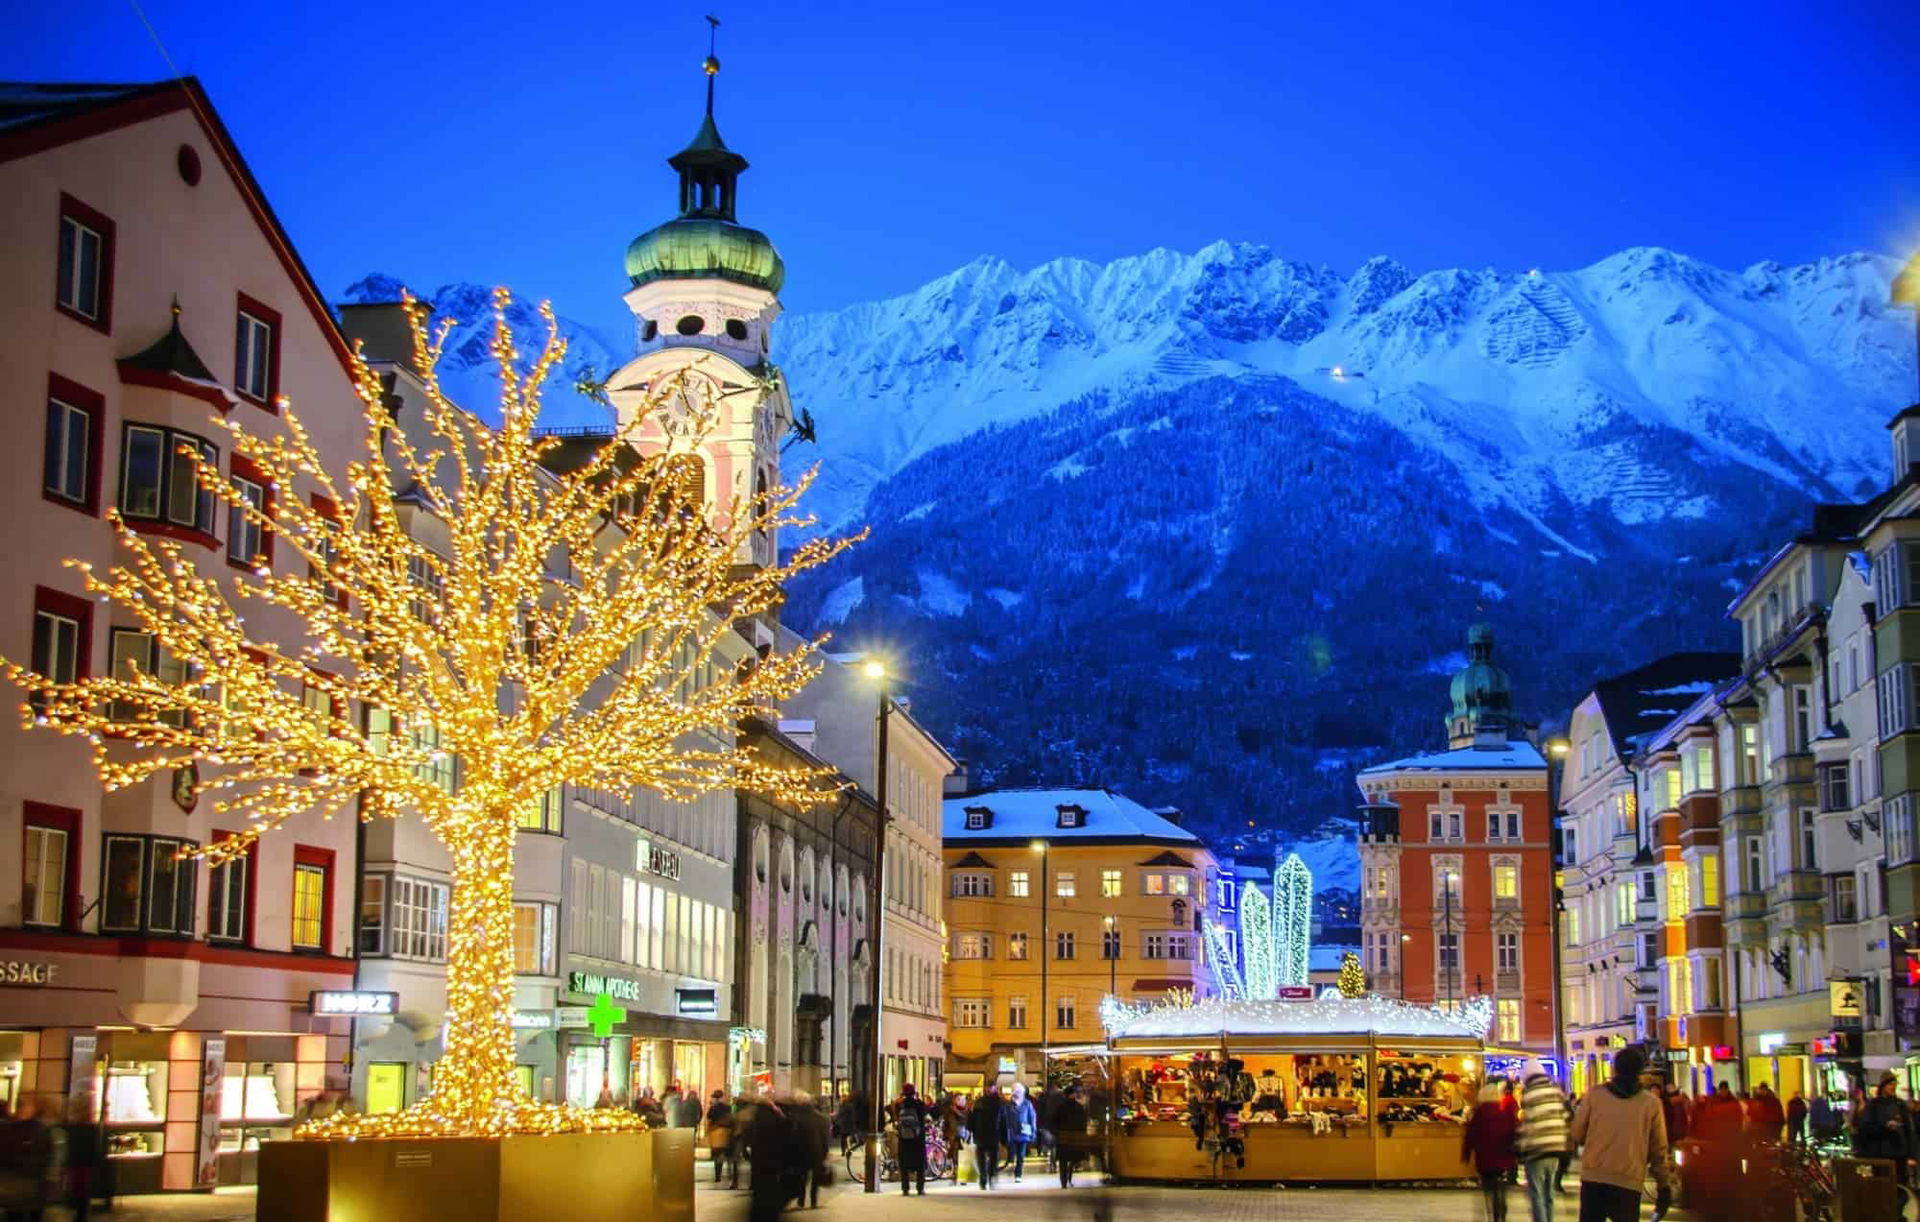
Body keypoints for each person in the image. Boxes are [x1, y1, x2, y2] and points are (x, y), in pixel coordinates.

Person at [1569, 1046, 1670, 1222]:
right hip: (1629, 1181)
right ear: (1640, 1071)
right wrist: (1664, 1186)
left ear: (1615, 1068)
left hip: (1594, 1178)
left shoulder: (1595, 1096)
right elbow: (1658, 1150)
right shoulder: (1651, 1104)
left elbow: (1577, 1133)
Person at [1518, 1061, 1572, 1222]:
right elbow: (1566, 1117)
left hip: (1537, 1149)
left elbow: (1529, 1123)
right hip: (1556, 1147)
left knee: (1537, 1194)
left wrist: (1520, 1145)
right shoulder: (1556, 1092)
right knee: (1549, 1194)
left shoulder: (1530, 1095)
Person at [1463, 1079, 1520, 1222]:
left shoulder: (1479, 1115)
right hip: (1503, 1157)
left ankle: (1491, 1212)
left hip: (1485, 1159)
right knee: (1500, 1186)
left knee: (1488, 1188)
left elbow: (1471, 1135)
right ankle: (1501, 1209)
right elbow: (1514, 1131)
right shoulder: (1504, 1113)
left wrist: (1466, 1153)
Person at [743, 1093, 795, 1222]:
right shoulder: (776, 1117)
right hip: (773, 1162)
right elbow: (787, 1135)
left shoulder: (754, 1117)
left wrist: (748, 1154)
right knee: (770, 1192)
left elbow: (747, 1138)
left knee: (759, 1193)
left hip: (759, 1161)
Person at [1851, 1071, 1916, 1169]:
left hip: (1899, 1154)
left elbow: (1909, 1131)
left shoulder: (1900, 1104)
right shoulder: (1873, 1105)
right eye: (1890, 1084)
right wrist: (1884, 1127)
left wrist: (1911, 1155)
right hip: (1880, 1155)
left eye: (1895, 1085)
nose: (1893, 1087)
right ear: (1883, 1086)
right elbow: (1865, 1128)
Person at [788, 1092, 831, 1209]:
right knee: (816, 1178)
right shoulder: (822, 1118)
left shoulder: (796, 1118)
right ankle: (813, 1201)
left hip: (801, 1151)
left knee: (803, 1177)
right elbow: (825, 1138)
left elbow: (793, 1136)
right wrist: (825, 1153)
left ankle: (801, 1200)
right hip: (817, 1151)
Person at [894, 1083, 931, 1197]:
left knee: (904, 1164)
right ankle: (920, 1188)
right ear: (914, 1092)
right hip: (917, 1138)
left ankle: (905, 1189)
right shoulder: (919, 1104)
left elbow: (893, 1114)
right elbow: (927, 1113)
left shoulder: (900, 1105)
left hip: (904, 1139)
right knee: (919, 1165)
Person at [1052, 1084, 1092, 1188]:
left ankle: (1064, 1182)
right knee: (1073, 1160)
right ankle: (1068, 1178)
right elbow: (1084, 1122)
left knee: (1063, 1162)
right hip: (1076, 1138)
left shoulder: (1061, 1107)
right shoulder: (1079, 1107)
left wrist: (1057, 1133)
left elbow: (1054, 1121)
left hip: (1063, 1138)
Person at [972, 1083, 1006, 1190]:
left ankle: (987, 1177)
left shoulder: (982, 1102)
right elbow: (973, 1118)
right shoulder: (997, 1103)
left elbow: (1003, 1121)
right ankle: (987, 1176)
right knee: (988, 1157)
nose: (988, 1090)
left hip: (987, 1134)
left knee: (987, 1158)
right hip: (986, 1134)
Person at [1003, 1082, 1038, 1182]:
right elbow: (1005, 1120)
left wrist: (1033, 1131)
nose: (1017, 1093)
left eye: (1019, 1091)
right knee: (1012, 1154)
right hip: (1012, 1134)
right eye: (1015, 1092)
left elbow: (1032, 1118)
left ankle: (1018, 1174)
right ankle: (1012, 1168)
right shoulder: (1008, 1105)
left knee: (1021, 1155)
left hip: (1024, 1133)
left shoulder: (1027, 1104)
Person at [705, 1090, 737, 1186]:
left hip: (716, 1131)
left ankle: (718, 1176)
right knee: (727, 1154)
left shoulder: (713, 1107)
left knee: (717, 1154)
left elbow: (709, 1117)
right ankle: (730, 1175)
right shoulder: (728, 1107)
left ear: (715, 1098)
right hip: (726, 1131)